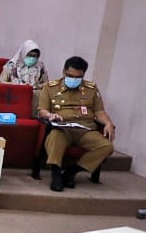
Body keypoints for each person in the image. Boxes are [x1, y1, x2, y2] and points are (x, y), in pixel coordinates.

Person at [37, 55, 116, 191]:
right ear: (64, 71)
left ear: (83, 75)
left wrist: (108, 123)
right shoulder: (50, 87)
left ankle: (71, 171)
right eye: (70, 75)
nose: (73, 79)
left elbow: (99, 112)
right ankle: (56, 174)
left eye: (78, 77)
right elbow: (42, 110)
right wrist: (50, 115)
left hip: (85, 130)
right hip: (62, 128)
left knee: (107, 146)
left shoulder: (91, 89)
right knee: (54, 137)